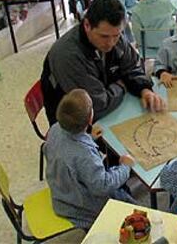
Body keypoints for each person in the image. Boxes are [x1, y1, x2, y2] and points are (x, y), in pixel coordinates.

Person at [41, 0, 164, 126]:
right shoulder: (68, 55)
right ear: (87, 25)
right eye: (104, 36)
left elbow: (133, 65)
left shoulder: (113, 34)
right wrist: (122, 85)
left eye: (116, 35)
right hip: (74, 125)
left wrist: (144, 89)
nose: (111, 43)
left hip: (110, 104)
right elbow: (96, 106)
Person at [43, 89, 136, 229]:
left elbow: (68, 149)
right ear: (90, 118)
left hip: (61, 194)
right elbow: (103, 186)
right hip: (79, 207)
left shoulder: (55, 129)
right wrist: (125, 167)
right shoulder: (84, 155)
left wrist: (88, 138)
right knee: (136, 212)